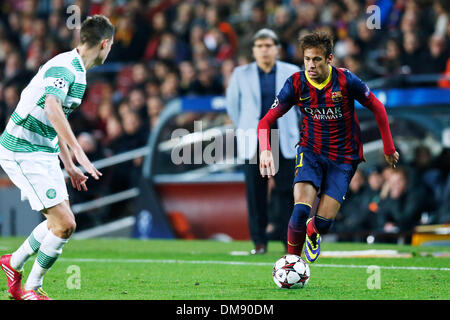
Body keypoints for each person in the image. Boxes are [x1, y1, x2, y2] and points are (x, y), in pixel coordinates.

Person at [257, 32, 399, 263]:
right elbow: (265, 121)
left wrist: (389, 148)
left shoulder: (346, 80)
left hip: (343, 158)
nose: (310, 65)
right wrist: (265, 149)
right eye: (307, 59)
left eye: (317, 59)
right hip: (310, 151)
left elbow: (378, 108)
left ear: (329, 58)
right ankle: (291, 262)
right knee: (301, 209)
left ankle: (314, 231)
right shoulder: (295, 83)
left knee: (324, 222)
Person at [0, 15, 114, 300]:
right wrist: (78, 150)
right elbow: (52, 106)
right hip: (22, 150)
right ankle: (31, 289)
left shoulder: (78, 70)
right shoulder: (65, 68)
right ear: (105, 43)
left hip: (44, 149)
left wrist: (68, 163)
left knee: (60, 223)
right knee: (65, 224)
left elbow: (55, 119)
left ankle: (12, 265)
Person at [226, 28, 300, 254]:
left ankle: (288, 241)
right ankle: (259, 242)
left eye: (268, 45)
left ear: (277, 48)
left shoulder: (292, 71)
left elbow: (300, 106)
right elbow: (233, 107)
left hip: (284, 137)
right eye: (259, 46)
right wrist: (247, 128)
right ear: (253, 51)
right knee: (255, 192)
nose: (264, 50)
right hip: (254, 139)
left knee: (287, 191)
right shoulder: (241, 74)